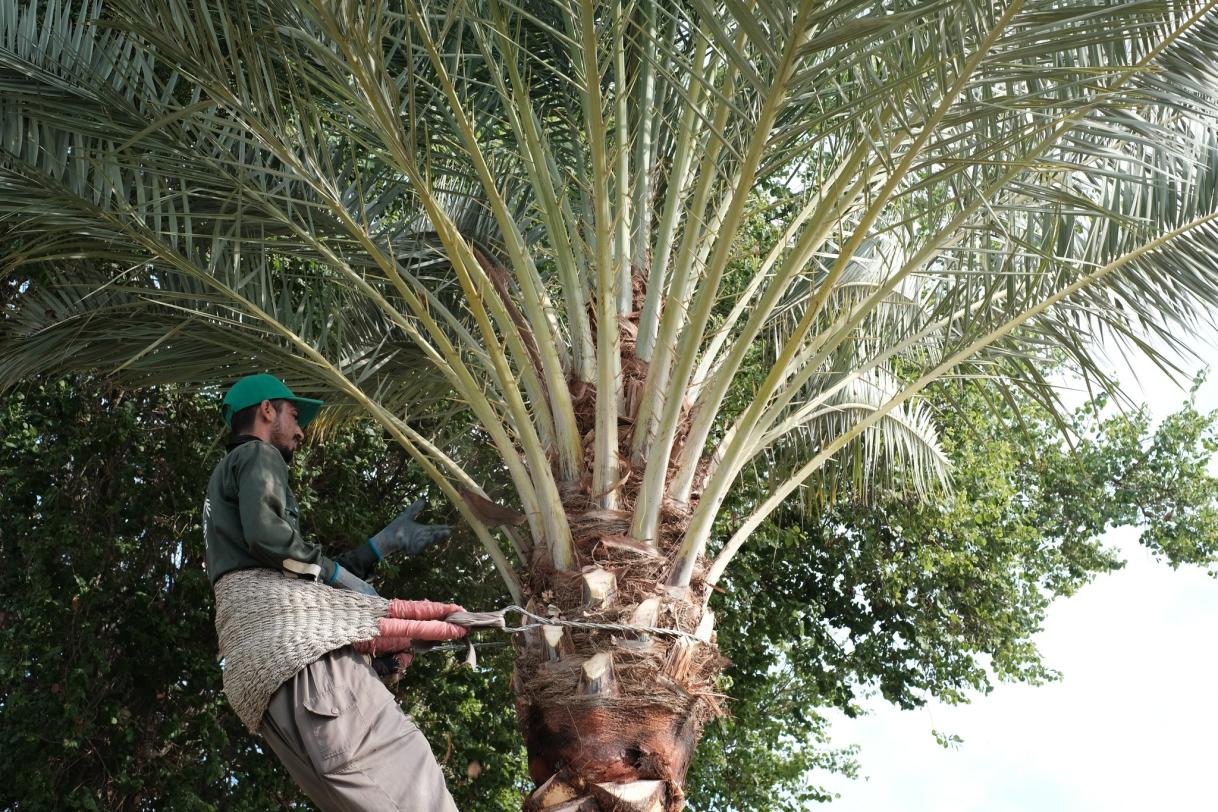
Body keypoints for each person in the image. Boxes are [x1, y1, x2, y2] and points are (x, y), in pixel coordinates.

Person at [203, 373, 464, 811]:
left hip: (272, 692)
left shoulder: (223, 486)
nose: (301, 429)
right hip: (299, 661)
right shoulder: (258, 455)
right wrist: (341, 577)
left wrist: (378, 548)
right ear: (267, 410)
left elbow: (286, 572)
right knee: (414, 777)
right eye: (293, 414)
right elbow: (270, 539)